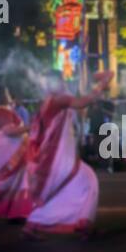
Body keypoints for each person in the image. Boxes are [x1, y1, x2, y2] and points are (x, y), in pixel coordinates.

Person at [22, 70, 113, 240]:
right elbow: (83, 102)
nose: (65, 83)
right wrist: (101, 85)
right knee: (88, 181)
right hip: (57, 158)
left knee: (60, 191)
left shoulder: (48, 101)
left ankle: (33, 224)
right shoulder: (59, 99)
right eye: (62, 80)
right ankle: (83, 225)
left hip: (53, 156)